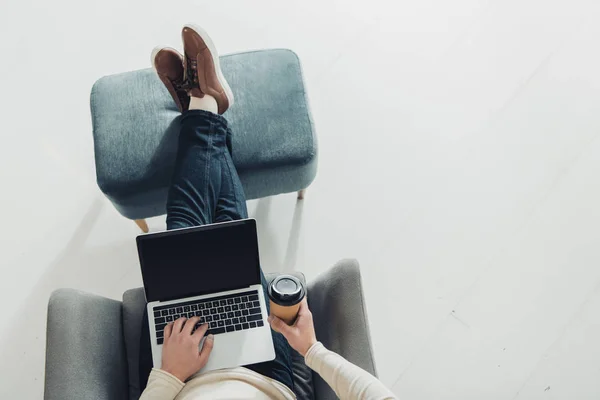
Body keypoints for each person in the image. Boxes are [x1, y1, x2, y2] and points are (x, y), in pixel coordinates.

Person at [138, 24, 396, 400]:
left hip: (182, 381)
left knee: (183, 230)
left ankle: (204, 105)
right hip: (264, 375)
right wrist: (311, 350)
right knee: (227, 235)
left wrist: (170, 376)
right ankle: (203, 106)